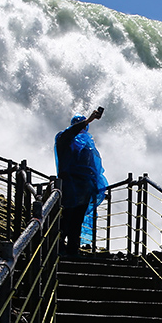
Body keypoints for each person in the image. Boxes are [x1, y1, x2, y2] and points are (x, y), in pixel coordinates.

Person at [54, 106, 108, 255]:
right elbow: (70, 133)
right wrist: (88, 120)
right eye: (80, 125)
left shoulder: (87, 144)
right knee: (66, 218)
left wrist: (96, 186)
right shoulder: (64, 138)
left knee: (76, 220)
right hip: (69, 186)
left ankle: (72, 249)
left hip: (84, 188)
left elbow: (94, 168)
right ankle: (60, 247)